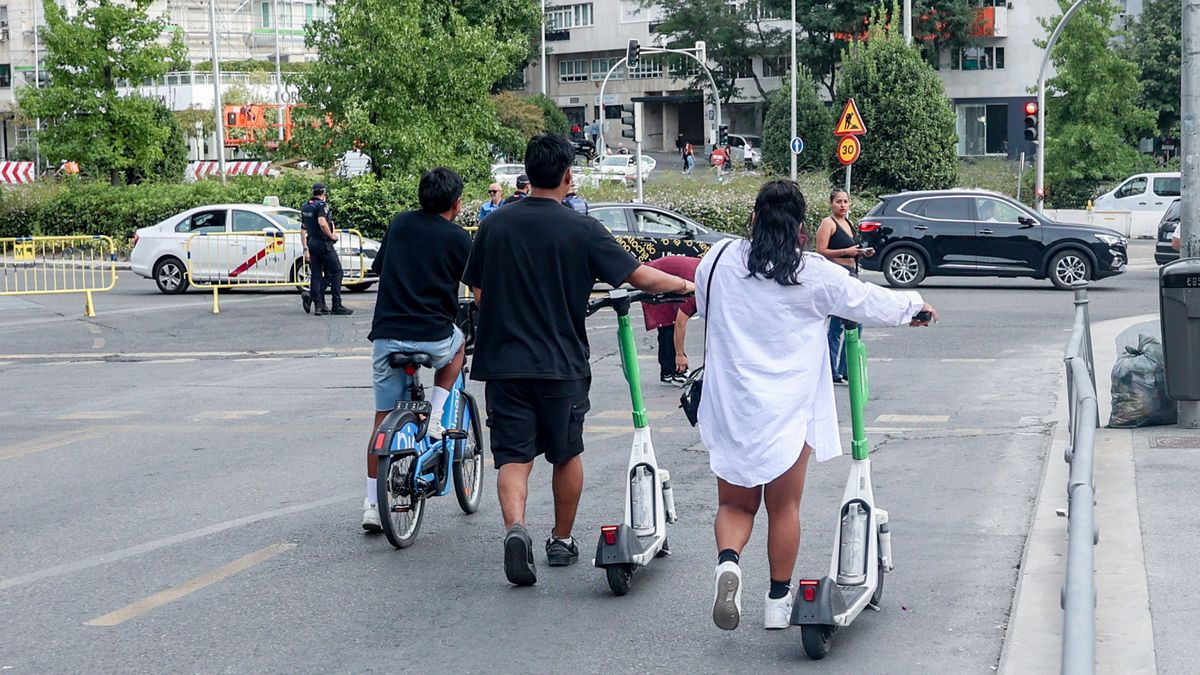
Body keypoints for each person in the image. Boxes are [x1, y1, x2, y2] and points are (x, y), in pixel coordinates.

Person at [696, 180, 937, 631]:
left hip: (733, 405)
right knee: (783, 509)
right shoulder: (812, 273)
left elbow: (706, 308)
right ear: (802, 229)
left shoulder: (720, 259)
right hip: (790, 408)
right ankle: (776, 602)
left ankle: (728, 564)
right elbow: (867, 302)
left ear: (752, 220)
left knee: (735, 505)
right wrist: (915, 305)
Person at [463, 132, 696, 587]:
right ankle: (560, 539)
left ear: (526, 176)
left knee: (513, 456)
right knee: (566, 453)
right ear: (569, 177)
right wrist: (686, 286)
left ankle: (516, 529)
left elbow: (478, 293)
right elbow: (640, 277)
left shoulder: (494, 226)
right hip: (561, 362)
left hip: (504, 364)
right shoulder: (583, 228)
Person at [361, 168, 474, 532]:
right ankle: (439, 415)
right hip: (433, 337)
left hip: (387, 336)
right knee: (458, 348)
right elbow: (477, 287)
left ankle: (370, 506)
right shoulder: (459, 239)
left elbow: (382, 268)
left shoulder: (399, 224)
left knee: (382, 419)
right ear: (456, 204)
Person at [815, 189, 873, 384]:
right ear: (831, 203)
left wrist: (860, 253)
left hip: (852, 274)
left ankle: (843, 369)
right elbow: (820, 251)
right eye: (838, 201)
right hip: (837, 276)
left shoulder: (848, 223)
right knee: (840, 325)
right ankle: (833, 370)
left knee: (852, 323)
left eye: (845, 201)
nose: (842, 205)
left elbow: (852, 249)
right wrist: (845, 251)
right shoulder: (828, 223)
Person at [644, 255, 700, 384]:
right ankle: (673, 372)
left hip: (668, 276)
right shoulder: (696, 290)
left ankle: (668, 371)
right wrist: (680, 355)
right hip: (655, 277)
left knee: (668, 325)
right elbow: (680, 323)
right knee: (668, 323)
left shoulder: (708, 275)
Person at [300, 183, 353, 316]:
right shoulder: (322, 206)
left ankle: (318, 305)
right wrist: (332, 236)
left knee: (317, 275)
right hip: (323, 243)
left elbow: (303, 229)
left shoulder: (306, 206)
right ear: (324, 194)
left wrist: (305, 247)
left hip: (312, 242)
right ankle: (336, 304)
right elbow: (322, 222)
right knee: (337, 272)